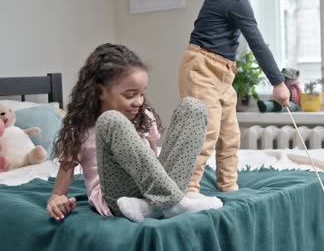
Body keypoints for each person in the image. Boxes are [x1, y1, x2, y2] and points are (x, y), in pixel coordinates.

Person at [47, 43, 223, 222]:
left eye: (142, 94)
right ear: (100, 91)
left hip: (151, 188)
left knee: (193, 107)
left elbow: (152, 160)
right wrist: (57, 200)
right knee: (110, 120)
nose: (139, 101)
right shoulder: (80, 130)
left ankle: (156, 205)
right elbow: (58, 193)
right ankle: (174, 202)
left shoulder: (144, 117)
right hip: (119, 199)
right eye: (130, 94)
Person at [178, 0, 290, 194]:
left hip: (224, 72)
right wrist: (278, 82)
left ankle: (228, 185)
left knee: (230, 134)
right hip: (201, 68)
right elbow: (257, 42)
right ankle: (188, 189)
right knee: (205, 131)